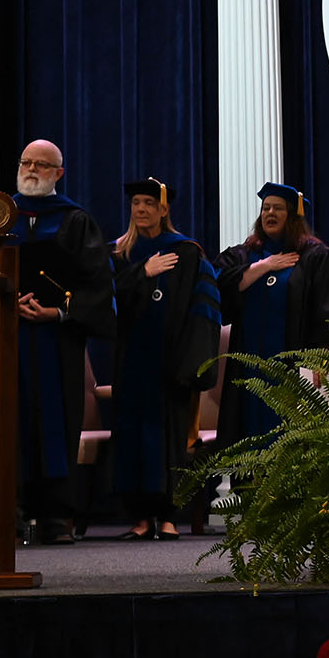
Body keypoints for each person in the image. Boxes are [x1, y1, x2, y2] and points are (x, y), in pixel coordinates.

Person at [9, 138, 116, 544]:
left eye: (42, 164)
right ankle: (12, 509)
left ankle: (57, 516)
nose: (32, 169)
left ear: (59, 173)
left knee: (58, 420)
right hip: (11, 339)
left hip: (58, 340)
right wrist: (7, 305)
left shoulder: (75, 220)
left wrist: (57, 312)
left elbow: (97, 285)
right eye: (26, 162)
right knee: (12, 422)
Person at [109, 178, 220, 540]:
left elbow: (201, 310)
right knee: (133, 438)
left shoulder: (186, 252)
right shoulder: (120, 254)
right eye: (135, 203)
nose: (140, 209)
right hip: (131, 360)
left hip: (171, 362)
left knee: (170, 438)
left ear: (163, 208)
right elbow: (105, 301)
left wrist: (192, 364)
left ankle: (171, 517)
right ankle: (141, 519)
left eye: (148, 203)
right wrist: (143, 273)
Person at [214, 182, 329, 448]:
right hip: (248, 367)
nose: (270, 213)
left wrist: (321, 359)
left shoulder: (315, 256)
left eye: (278, 208)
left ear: (292, 216)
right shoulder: (245, 254)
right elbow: (220, 288)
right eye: (266, 208)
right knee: (246, 436)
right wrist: (263, 266)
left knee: (292, 441)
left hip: (297, 366)